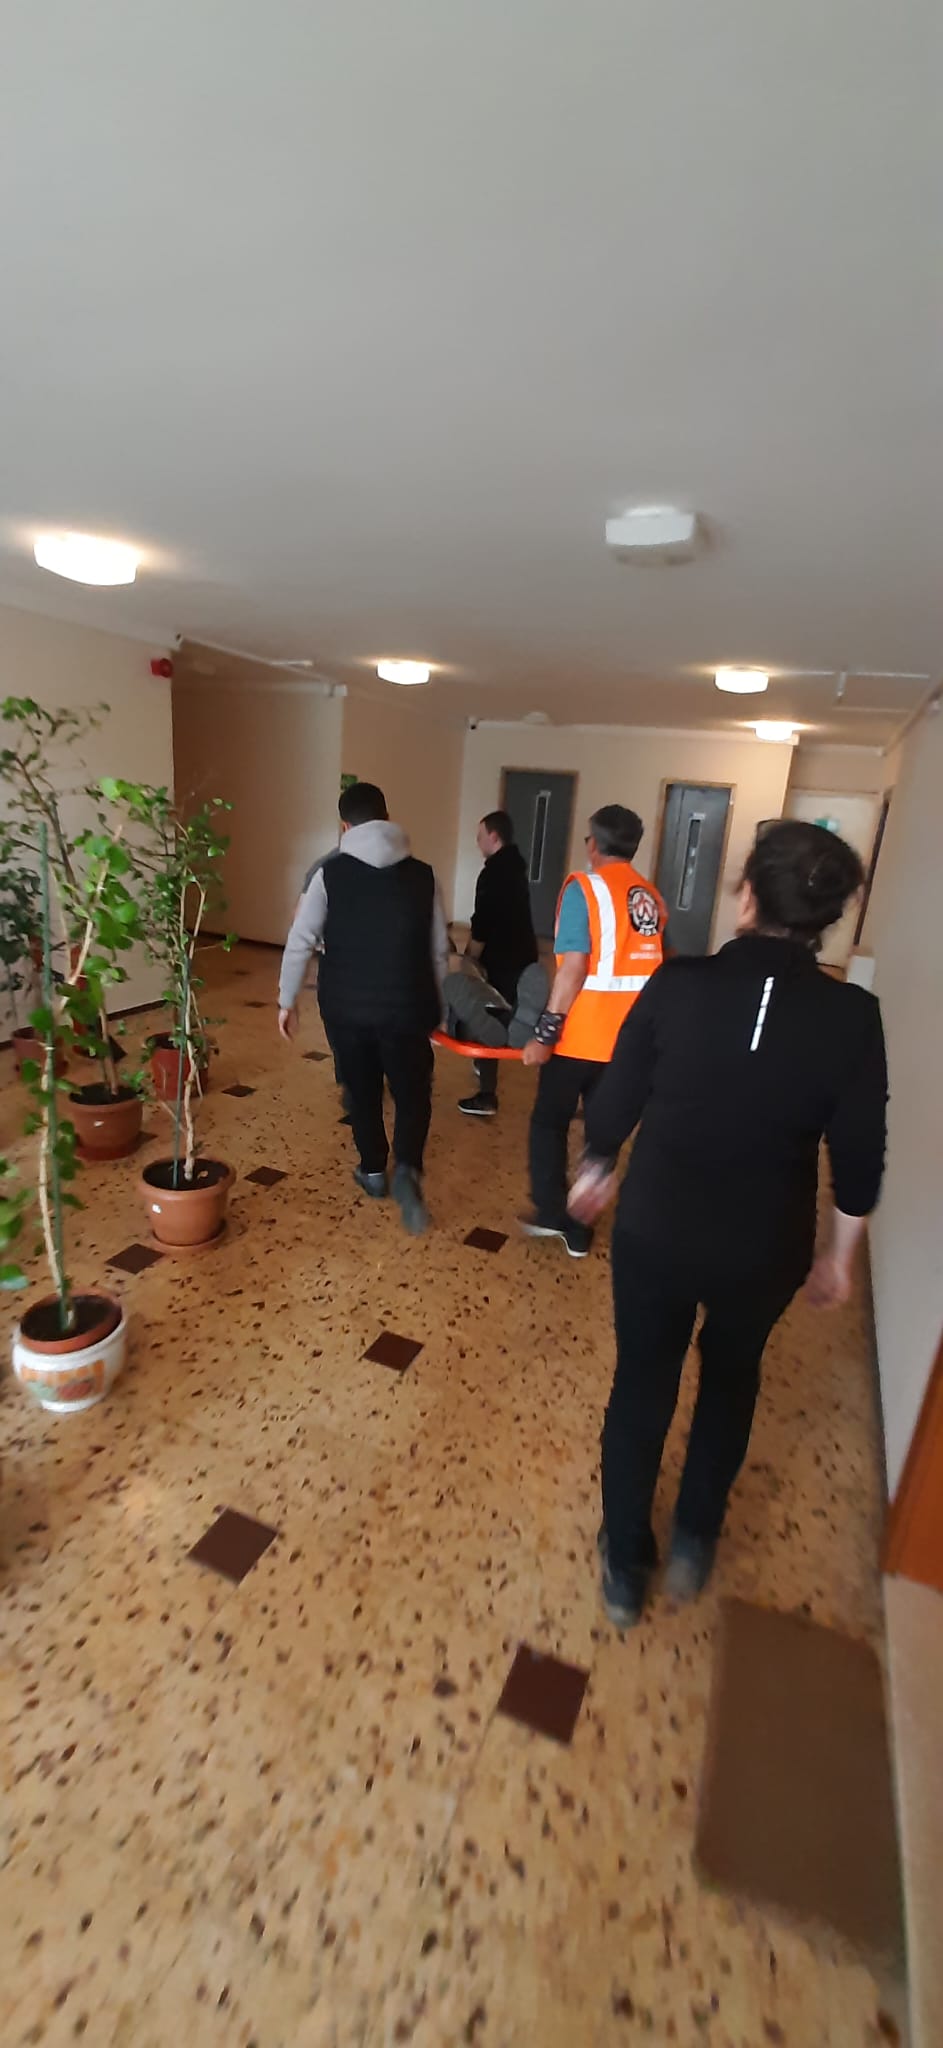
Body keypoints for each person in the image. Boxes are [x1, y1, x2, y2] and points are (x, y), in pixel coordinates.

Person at [568, 819, 888, 1629]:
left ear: (746, 896)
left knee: (642, 1381)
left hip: (656, 1230)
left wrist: (597, 1166)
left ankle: (623, 1566)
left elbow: (613, 1102)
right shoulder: (854, 1015)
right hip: (765, 1246)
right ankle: (694, 1538)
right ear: (828, 919)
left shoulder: (675, 985)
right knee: (732, 1375)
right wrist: (837, 1258)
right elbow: (858, 1157)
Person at [278, 782, 448, 1235]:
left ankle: (373, 1170)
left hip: (346, 1008)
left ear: (344, 826)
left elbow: (300, 940)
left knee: (361, 1088)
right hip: (408, 1005)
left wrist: (286, 1000)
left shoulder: (329, 875)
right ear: (386, 817)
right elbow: (437, 951)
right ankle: (407, 1168)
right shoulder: (424, 876)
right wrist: (439, 1009)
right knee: (412, 1092)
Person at [521, 804, 667, 1258]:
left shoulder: (584, 889)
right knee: (602, 1133)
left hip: (579, 1037)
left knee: (549, 1121)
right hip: (630, 1042)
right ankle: (581, 1227)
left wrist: (545, 1034)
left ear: (593, 845)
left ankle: (552, 1213)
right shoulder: (650, 897)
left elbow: (573, 969)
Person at [458, 811, 538, 1117]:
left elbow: (483, 924)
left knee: (487, 1017)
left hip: (501, 959)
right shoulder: (516, 868)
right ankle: (487, 1062)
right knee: (505, 1013)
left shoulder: (493, 874)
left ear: (494, 837)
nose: (477, 842)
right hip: (523, 955)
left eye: (480, 836)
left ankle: (487, 1095)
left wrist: (468, 959)